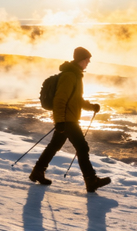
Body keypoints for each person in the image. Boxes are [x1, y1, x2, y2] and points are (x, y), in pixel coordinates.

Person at [29, 47, 111, 193]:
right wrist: (60, 121)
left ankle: (37, 172)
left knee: (54, 146)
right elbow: (60, 100)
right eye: (87, 60)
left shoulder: (76, 76)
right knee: (82, 147)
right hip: (67, 121)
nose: (88, 63)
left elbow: (76, 100)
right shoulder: (69, 76)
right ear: (81, 59)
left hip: (68, 119)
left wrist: (91, 107)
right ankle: (91, 180)